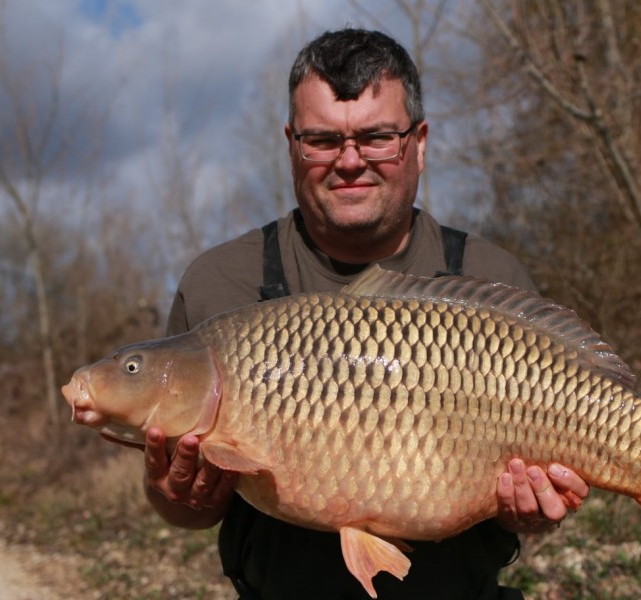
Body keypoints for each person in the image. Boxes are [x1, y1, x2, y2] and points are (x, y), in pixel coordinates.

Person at [140, 28, 589, 599]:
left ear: (419, 143)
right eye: (323, 140)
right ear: (291, 145)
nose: (349, 162)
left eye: (377, 137)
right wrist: (175, 498)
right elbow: (187, 510)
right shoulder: (221, 284)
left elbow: (535, 503)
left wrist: (532, 510)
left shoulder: (489, 275)